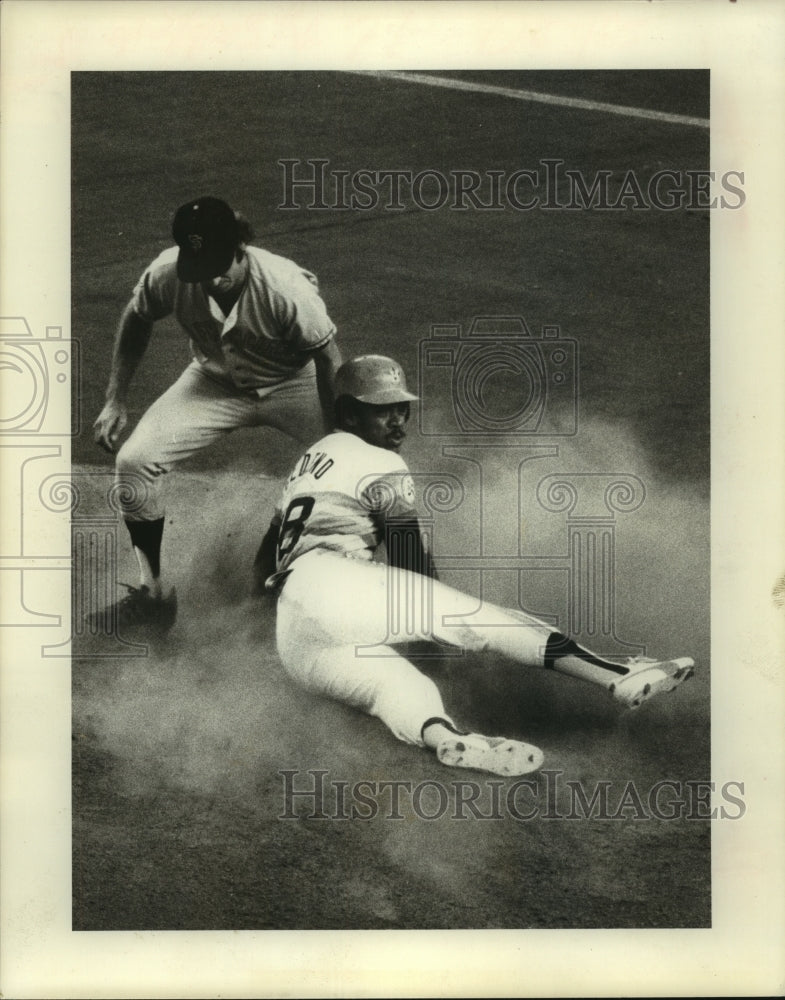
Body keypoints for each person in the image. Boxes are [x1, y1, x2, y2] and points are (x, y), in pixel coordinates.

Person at [254, 355, 695, 777]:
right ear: (349, 414)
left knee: (392, 687)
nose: (398, 422)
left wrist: (266, 620)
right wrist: (436, 634)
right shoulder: (381, 462)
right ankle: (619, 676)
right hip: (337, 582)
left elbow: (264, 559)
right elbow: (409, 559)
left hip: (294, 634)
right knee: (490, 622)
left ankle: (447, 737)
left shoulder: (308, 462)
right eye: (383, 411)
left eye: (402, 410)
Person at [92, 196, 342, 632]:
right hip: (212, 382)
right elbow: (137, 316)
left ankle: (408, 576)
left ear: (241, 246)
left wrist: (340, 437)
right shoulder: (170, 272)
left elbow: (327, 359)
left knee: (357, 468)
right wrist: (116, 397)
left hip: (293, 383)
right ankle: (152, 598)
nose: (210, 277)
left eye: (219, 263)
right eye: (199, 265)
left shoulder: (285, 288)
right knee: (133, 462)